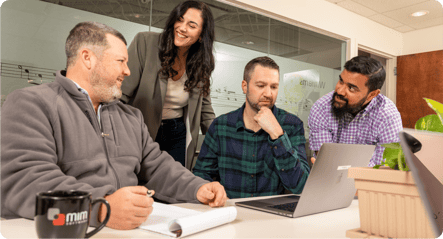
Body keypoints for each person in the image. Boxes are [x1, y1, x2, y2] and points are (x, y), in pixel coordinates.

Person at [0, 21, 227, 231]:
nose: (127, 71)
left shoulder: (131, 116)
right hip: (61, 230)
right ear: (88, 58)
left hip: (124, 231)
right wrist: (100, 207)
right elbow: (25, 178)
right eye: (121, 61)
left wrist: (197, 188)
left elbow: (158, 167)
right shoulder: (31, 103)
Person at [193, 56, 310, 199]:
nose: (268, 93)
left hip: (273, 216)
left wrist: (278, 135)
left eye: (274, 87)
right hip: (230, 211)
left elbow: (301, 186)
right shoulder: (220, 126)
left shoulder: (292, 125)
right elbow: (201, 177)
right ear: (244, 86)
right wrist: (213, 194)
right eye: (261, 86)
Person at [120, 0, 215, 169]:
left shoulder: (201, 64)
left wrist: (221, 142)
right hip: (141, 129)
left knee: (175, 184)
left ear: (201, 35)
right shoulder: (145, 42)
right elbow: (120, 95)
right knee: (140, 182)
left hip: (176, 133)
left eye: (192, 25)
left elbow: (205, 111)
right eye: (180, 19)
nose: (182, 28)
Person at [308, 56, 403, 166]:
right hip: (330, 180)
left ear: (372, 95)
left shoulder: (387, 116)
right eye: (341, 81)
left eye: (351, 88)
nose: (340, 91)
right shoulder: (322, 108)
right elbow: (326, 162)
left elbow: (385, 167)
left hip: (369, 182)